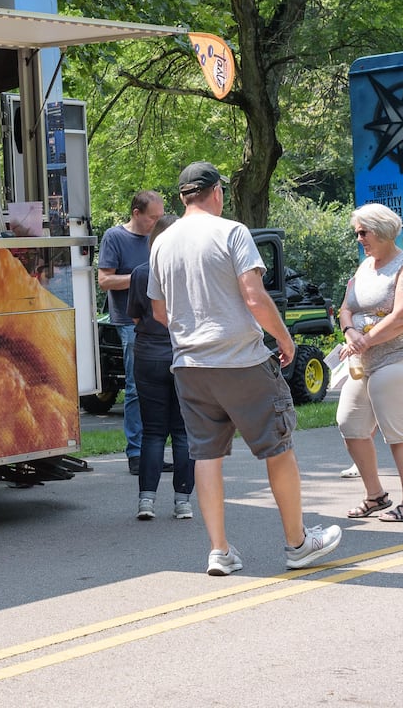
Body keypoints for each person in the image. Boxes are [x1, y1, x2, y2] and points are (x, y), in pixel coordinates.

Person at [149, 162, 342, 575]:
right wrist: (285, 340)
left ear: (183, 197)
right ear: (217, 192)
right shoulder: (232, 231)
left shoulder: (162, 243)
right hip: (240, 359)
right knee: (279, 447)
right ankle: (297, 543)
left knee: (206, 455)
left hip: (189, 366)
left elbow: (160, 312)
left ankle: (219, 550)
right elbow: (254, 297)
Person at [336, 203, 403, 523]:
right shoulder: (364, 268)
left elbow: (402, 316)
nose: (359, 239)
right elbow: (345, 308)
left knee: (398, 433)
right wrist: (350, 332)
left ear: (383, 230)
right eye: (357, 233)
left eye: (364, 232)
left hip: (401, 357)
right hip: (365, 360)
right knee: (349, 423)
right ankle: (376, 496)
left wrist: (364, 340)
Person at [127, 214, 193, 520]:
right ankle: (183, 502)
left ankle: (146, 501)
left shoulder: (141, 273)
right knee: (182, 432)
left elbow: (137, 317)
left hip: (148, 355)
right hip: (183, 356)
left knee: (152, 433)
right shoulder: (191, 272)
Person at [98, 190, 166, 475]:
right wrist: (141, 278)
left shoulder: (160, 237)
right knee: (137, 388)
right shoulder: (115, 238)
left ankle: (156, 452)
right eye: (153, 218)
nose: (157, 223)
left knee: (164, 388)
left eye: (160, 217)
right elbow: (105, 280)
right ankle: (136, 453)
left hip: (162, 320)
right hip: (130, 321)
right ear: (136, 213)